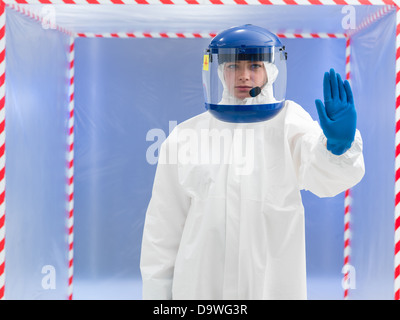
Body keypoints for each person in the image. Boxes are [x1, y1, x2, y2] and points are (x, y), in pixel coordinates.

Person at [140, 25, 365, 300]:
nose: (244, 75)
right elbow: (163, 229)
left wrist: (338, 146)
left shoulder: (288, 122)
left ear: (270, 70)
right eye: (233, 65)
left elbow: (324, 176)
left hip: (272, 286)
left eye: (255, 65)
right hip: (200, 288)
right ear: (220, 71)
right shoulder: (185, 137)